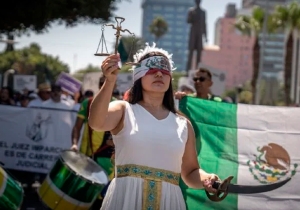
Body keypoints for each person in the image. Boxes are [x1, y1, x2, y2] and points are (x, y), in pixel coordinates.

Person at [88, 43, 219, 210]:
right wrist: (110, 81)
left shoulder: (183, 124)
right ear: (138, 75)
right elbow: (96, 122)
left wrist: (207, 178)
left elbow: (190, 173)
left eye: (165, 70)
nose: (159, 73)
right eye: (151, 68)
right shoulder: (124, 110)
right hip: (125, 200)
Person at [71, 75, 116, 209]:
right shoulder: (88, 103)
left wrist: (115, 141)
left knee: (104, 196)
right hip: (87, 157)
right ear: (99, 85)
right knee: (85, 194)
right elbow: (77, 127)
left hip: (107, 159)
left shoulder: (118, 105)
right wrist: (74, 143)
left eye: (109, 82)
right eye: (103, 82)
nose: (106, 85)